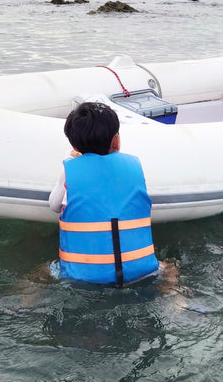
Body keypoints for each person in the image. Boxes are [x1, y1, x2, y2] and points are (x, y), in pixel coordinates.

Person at [49, 101, 160, 286]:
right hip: (142, 272)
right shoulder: (134, 167)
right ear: (116, 141)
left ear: (74, 147)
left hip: (81, 277)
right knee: (169, 268)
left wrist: (68, 161)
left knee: (43, 271)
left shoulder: (69, 170)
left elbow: (54, 205)